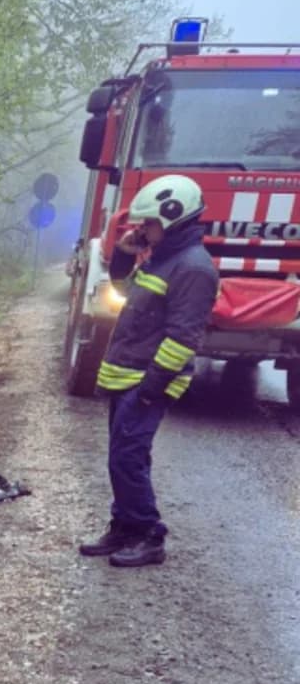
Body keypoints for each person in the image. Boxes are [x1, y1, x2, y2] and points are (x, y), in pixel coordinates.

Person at [79, 174, 219, 567]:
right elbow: (128, 294)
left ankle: (147, 534)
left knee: (128, 456)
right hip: (129, 374)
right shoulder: (162, 259)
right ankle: (123, 527)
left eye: (149, 223)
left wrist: (152, 387)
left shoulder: (193, 269)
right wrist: (124, 255)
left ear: (174, 218)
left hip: (146, 380)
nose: (143, 229)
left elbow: (183, 337)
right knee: (122, 456)